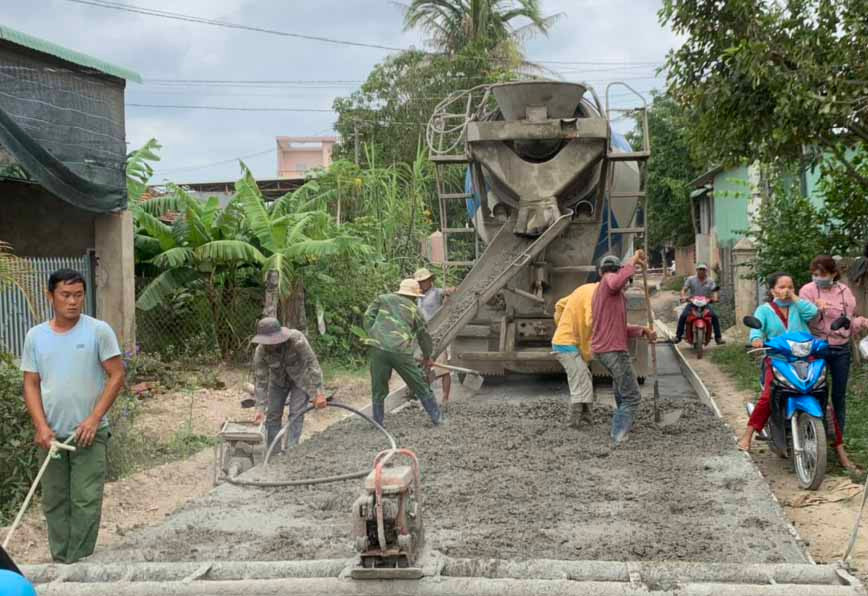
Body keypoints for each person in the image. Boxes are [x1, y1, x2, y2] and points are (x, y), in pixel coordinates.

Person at [20, 269, 125, 563]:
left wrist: (93, 419)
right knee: (54, 499)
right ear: (50, 295)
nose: (73, 302)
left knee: (85, 499)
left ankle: (78, 563)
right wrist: (41, 426)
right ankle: (60, 559)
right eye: (66, 295)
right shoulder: (35, 337)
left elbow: (116, 375)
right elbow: (30, 382)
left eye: (79, 295)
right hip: (51, 436)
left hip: (89, 434)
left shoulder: (98, 331)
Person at [799, 255, 868, 471]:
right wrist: (817, 309)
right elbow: (803, 318)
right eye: (815, 274)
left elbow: (849, 319)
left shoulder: (844, 292)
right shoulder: (807, 291)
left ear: (834, 274)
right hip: (817, 348)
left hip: (840, 349)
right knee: (816, 393)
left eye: (823, 274)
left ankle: (838, 444)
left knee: (838, 396)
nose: (818, 278)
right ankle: (814, 438)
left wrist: (860, 323)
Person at [737, 272, 819, 452]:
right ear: (773, 290)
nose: (787, 291)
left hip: (803, 359)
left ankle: (830, 439)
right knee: (768, 396)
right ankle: (747, 436)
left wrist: (795, 298)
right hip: (777, 360)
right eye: (782, 287)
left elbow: (813, 313)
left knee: (820, 391)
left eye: (790, 287)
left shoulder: (799, 307)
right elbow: (756, 331)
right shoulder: (764, 310)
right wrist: (756, 339)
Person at [591, 251, 656, 445]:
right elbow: (614, 281)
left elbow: (619, 327)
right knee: (632, 395)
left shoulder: (609, 296)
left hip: (606, 348)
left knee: (621, 390)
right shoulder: (608, 282)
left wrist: (642, 330)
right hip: (613, 350)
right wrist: (633, 261)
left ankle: (624, 424)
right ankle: (618, 433)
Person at [364, 279, 441, 427]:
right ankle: (438, 418)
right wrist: (427, 356)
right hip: (400, 351)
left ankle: (378, 422)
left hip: (378, 349)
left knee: (378, 386)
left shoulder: (383, 298)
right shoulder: (414, 309)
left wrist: (374, 334)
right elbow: (423, 335)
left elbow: (367, 316)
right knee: (419, 384)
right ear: (414, 295)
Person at [252, 317, 327, 452]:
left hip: (301, 381)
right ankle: (273, 453)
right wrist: (260, 408)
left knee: (296, 414)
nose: (270, 345)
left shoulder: (296, 339)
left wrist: (319, 393)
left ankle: (291, 452)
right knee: (273, 416)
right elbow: (260, 381)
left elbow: (312, 363)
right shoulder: (261, 352)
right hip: (278, 382)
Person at [552, 281, 599, 428]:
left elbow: (559, 304)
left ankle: (586, 418)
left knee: (584, 376)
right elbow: (590, 321)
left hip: (567, 341)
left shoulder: (584, 289)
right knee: (579, 379)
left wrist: (563, 326)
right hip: (566, 344)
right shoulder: (594, 295)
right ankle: (573, 422)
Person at [414, 267, 454, 406]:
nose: (422, 284)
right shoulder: (418, 297)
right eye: (419, 282)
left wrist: (449, 295)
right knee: (423, 367)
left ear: (430, 281)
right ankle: (427, 398)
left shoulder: (436, 293)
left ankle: (445, 399)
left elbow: (450, 291)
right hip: (424, 336)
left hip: (438, 334)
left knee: (443, 368)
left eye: (424, 281)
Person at [675, 263, 725, 345]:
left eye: (703, 269)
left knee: (715, 316)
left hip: (705, 304)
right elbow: (684, 289)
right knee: (683, 316)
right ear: (697, 270)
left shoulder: (710, 280)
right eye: (700, 269)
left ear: (706, 271)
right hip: (692, 303)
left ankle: (718, 338)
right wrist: (683, 296)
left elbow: (715, 290)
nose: (701, 271)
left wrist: (715, 298)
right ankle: (678, 336)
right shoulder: (691, 279)